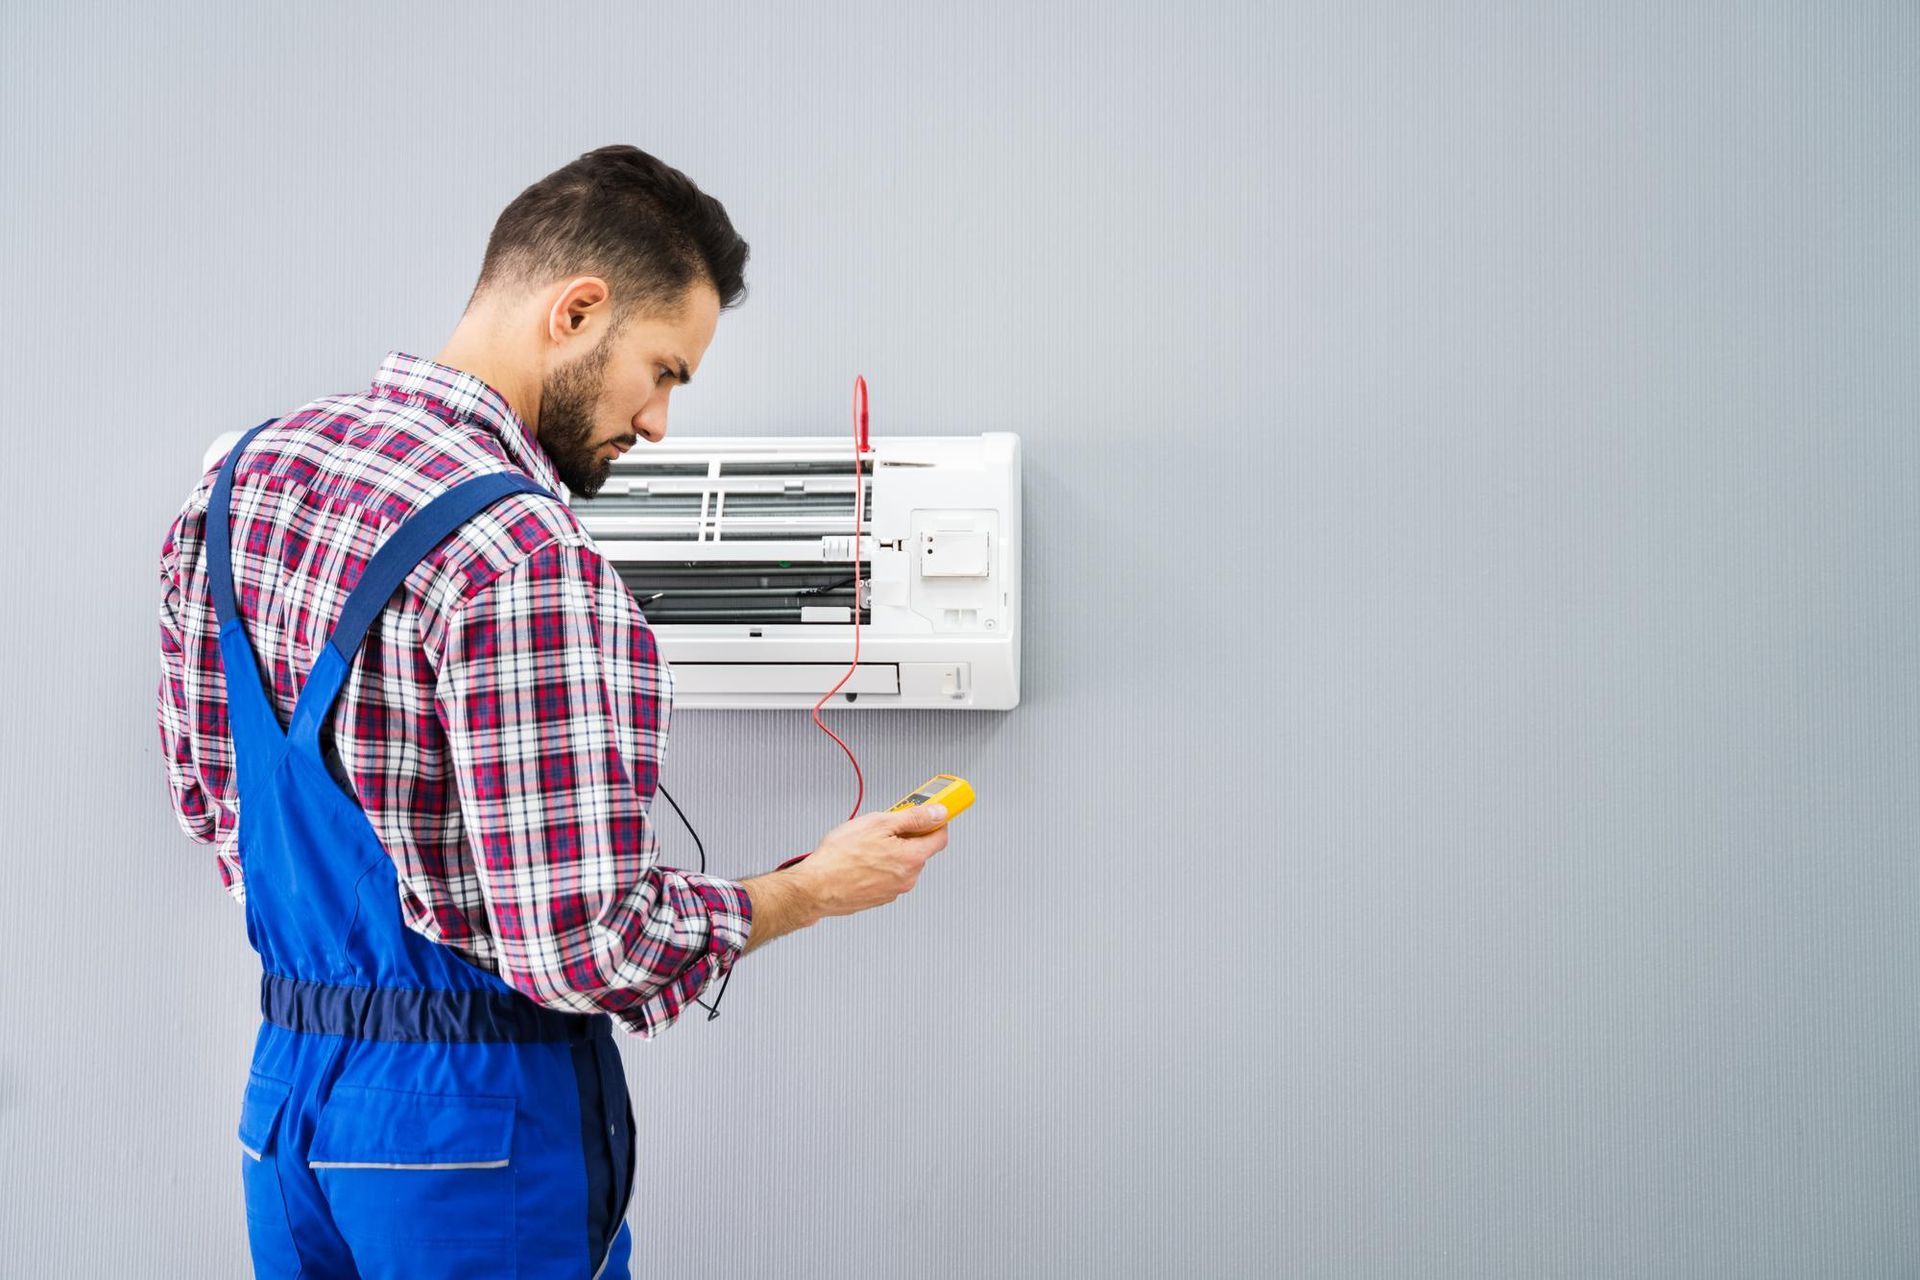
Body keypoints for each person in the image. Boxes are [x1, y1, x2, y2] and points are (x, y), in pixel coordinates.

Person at [155, 144, 951, 1279]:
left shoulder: (241, 481)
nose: (662, 422)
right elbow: (584, 943)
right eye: (665, 369)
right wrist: (811, 888)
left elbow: (211, 801)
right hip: (472, 1131)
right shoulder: (524, 553)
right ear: (577, 310)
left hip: (287, 1105)